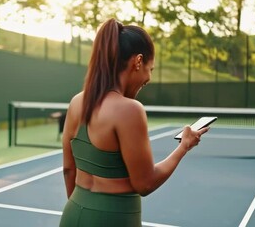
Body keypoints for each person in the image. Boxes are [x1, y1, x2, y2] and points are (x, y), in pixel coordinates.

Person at [59, 18, 209, 227]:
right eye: (151, 68)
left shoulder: (77, 102)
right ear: (138, 62)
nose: (149, 78)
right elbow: (145, 183)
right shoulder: (130, 109)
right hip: (113, 219)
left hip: (73, 213)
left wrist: (83, 207)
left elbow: (68, 169)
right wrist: (184, 146)